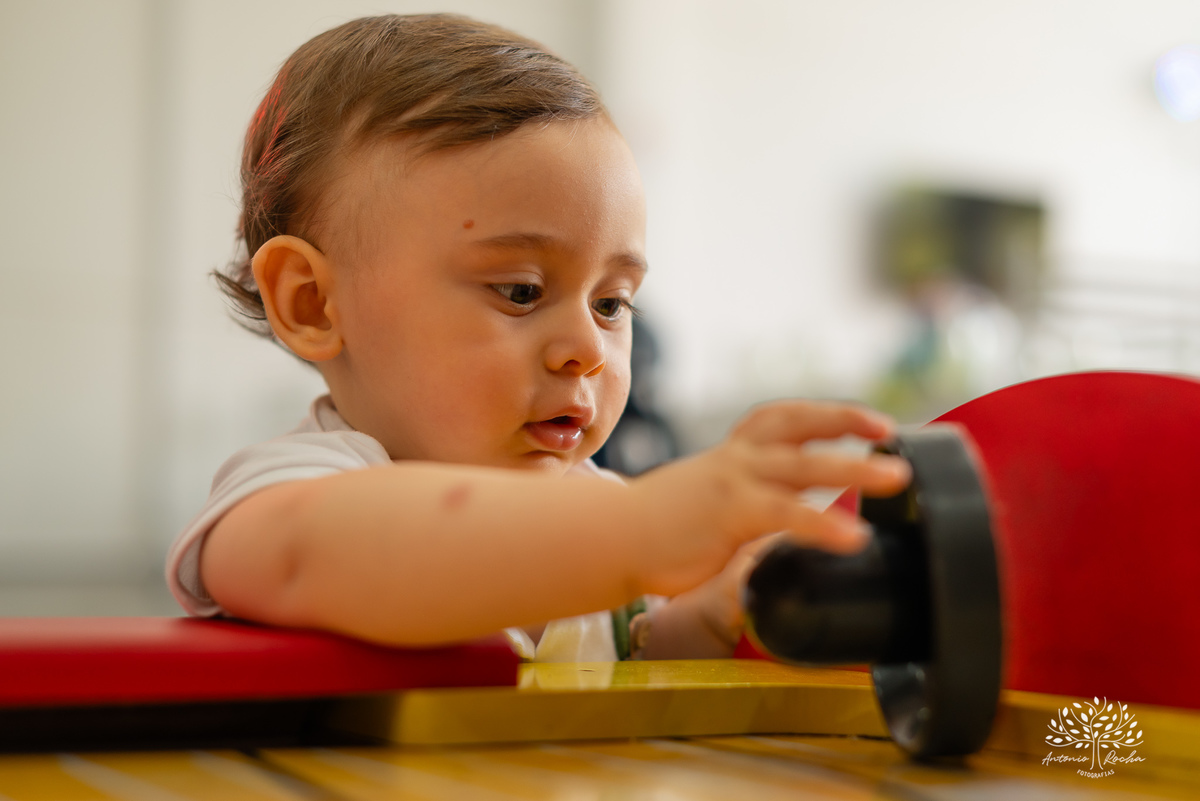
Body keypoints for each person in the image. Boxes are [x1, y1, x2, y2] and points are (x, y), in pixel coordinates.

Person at [166, 13, 910, 661]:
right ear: (314, 302)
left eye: (614, 302)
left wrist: (714, 615)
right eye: (520, 291)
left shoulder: (600, 509)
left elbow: (628, 659)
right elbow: (344, 555)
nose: (587, 347)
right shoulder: (290, 494)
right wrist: (642, 531)